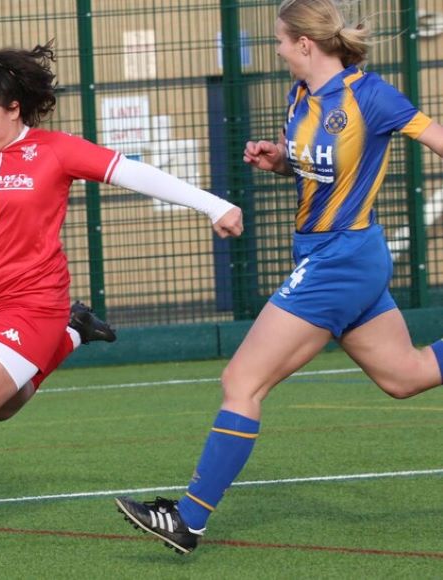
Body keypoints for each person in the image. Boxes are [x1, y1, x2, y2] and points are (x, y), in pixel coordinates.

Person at [0, 40, 243, 557]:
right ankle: (74, 332)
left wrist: (212, 205)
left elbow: (136, 173)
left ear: (14, 109)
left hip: (32, 303)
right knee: (0, 410)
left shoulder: (55, 150)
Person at [115, 0, 443, 556]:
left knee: (242, 382)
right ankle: (189, 519)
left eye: (280, 42)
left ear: (305, 45)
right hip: (332, 257)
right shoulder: (299, 97)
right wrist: (280, 160)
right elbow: (322, 162)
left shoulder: (371, 96)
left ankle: (188, 520)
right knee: (405, 376)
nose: (277, 50)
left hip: (342, 258)